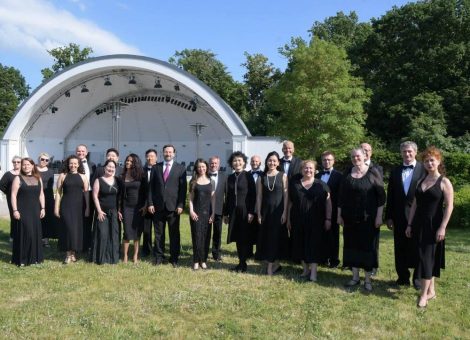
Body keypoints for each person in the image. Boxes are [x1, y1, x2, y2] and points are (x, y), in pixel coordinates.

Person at [405, 146, 454, 308]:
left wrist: (443, 227)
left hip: (434, 226)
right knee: (422, 257)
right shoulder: (420, 181)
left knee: (427, 258)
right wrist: (410, 224)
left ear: (438, 161)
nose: (429, 163)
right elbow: (414, 206)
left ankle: (424, 295)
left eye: (432, 160)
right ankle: (431, 291)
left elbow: (449, 206)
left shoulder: (444, 182)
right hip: (418, 224)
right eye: (426, 161)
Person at [337, 147, 385, 291]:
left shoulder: (372, 172)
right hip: (349, 218)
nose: (355, 159)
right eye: (352, 157)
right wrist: (339, 215)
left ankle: (368, 280)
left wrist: (378, 216)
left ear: (364, 156)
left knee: (367, 247)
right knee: (352, 246)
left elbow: (381, 197)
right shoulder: (347, 172)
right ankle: (355, 277)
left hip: (368, 219)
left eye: (357, 156)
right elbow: (341, 196)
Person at [386, 141, 426, 289]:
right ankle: (402, 277)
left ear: (415, 152)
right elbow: (390, 195)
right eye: (404, 152)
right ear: (401, 153)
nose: (407, 154)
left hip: (418, 216)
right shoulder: (395, 171)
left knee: (418, 247)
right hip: (398, 216)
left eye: (410, 151)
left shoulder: (424, 169)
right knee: (400, 247)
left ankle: (417, 279)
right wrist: (389, 216)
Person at [289, 160, 331, 281]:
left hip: (316, 220)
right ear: (301, 170)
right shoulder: (295, 184)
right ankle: (305, 269)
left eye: (311, 168)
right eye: (306, 168)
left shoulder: (321, 184)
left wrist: (328, 218)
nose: (308, 170)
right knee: (299, 243)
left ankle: (313, 273)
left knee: (314, 244)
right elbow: (290, 202)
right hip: (297, 219)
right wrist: (287, 218)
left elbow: (328, 203)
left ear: (315, 170)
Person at [148, 145, 187, 267]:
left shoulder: (181, 168)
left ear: (174, 154)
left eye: (170, 152)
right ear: (162, 153)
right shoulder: (156, 167)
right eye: (166, 152)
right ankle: (159, 257)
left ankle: (174, 258)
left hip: (173, 207)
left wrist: (181, 204)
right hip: (158, 207)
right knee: (159, 234)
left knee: (174, 234)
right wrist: (150, 203)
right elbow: (150, 188)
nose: (168, 154)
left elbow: (183, 189)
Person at [255, 151, 288, 276]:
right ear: (266, 162)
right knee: (268, 238)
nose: (272, 162)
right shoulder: (261, 178)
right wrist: (258, 213)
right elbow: (259, 197)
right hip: (266, 212)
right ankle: (273, 265)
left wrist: (285, 212)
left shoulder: (283, 176)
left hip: (279, 212)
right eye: (270, 160)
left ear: (278, 162)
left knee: (277, 238)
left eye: (274, 160)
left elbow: (286, 195)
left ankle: (272, 266)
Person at [223, 151, 256, 273]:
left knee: (244, 237)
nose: (237, 163)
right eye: (235, 161)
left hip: (245, 211)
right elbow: (228, 196)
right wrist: (225, 213)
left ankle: (243, 263)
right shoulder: (230, 178)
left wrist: (251, 212)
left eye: (239, 160)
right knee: (237, 237)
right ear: (232, 163)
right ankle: (240, 263)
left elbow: (253, 195)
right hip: (233, 211)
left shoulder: (248, 176)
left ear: (244, 163)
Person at [10, 158, 45, 266]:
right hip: (22, 210)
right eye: (24, 165)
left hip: (35, 210)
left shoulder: (38, 178)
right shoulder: (18, 178)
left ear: (33, 165)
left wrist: (43, 208)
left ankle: (34, 258)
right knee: (25, 233)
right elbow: (13, 195)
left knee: (34, 233)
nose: (26, 166)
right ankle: (22, 259)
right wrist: (15, 210)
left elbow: (41, 194)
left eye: (28, 164)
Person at [55, 155, 89, 264]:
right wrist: (56, 207)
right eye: (71, 163)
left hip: (79, 206)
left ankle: (73, 253)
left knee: (76, 229)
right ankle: (68, 254)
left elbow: (86, 194)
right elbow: (58, 193)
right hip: (66, 205)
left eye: (75, 163)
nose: (73, 165)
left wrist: (88, 207)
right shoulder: (62, 175)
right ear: (67, 164)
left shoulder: (83, 177)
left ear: (78, 165)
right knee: (68, 228)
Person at [315, 151, 343, 268]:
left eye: (329, 160)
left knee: (333, 235)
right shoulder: (317, 176)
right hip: (318, 210)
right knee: (320, 235)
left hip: (334, 210)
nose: (326, 162)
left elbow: (342, 195)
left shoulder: (339, 176)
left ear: (333, 161)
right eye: (324, 160)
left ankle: (333, 260)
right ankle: (321, 258)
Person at [91, 160, 122, 264]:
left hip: (114, 212)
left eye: (113, 167)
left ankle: (113, 258)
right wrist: (99, 211)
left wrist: (119, 211)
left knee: (114, 235)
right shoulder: (98, 180)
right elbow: (95, 196)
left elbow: (119, 197)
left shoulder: (117, 180)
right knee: (103, 234)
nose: (111, 169)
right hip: (102, 212)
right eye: (109, 167)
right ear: (105, 167)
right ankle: (100, 258)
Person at [360, 142, 383, 276]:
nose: (365, 152)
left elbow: (380, 193)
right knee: (357, 240)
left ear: (371, 152)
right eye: (363, 150)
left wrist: (379, 215)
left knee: (372, 241)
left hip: (372, 211)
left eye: (368, 150)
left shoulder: (377, 168)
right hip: (355, 211)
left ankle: (372, 266)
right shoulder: (351, 167)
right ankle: (356, 264)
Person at [189, 159, 215, 270]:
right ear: (196, 168)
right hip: (196, 213)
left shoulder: (211, 181)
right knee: (196, 236)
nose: (201, 169)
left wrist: (213, 213)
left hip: (207, 213)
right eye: (199, 167)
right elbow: (190, 198)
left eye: (203, 166)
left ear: (206, 167)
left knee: (206, 236)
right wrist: (191, 211)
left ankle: (203, 260)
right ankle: (196, 260)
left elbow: (213, 198)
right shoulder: (193, 181)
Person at [121, 153, 145, 264]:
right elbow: (119, 195)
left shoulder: (141, 176)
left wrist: (145, 205)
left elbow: (146, 192)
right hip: (126, 207)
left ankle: (135, 256)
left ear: (135, 163)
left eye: (131, 161)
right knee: (126, 232)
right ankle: (125, 256)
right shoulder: (122, 175)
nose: (128, 163)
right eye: (127, 160)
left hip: (138, 208)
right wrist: (118, 209)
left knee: (137, 233)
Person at [75, 144, 96, 253]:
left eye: (83, 151)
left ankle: (87, 245)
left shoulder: (92, 165)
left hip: (90, 195)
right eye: (79, 151)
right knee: (77, 220)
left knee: (88, 220)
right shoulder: (72, 164)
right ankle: (77, 244)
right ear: (76, 152)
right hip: (77, 195)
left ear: (87, 153)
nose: (81, 153)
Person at [36, 152, 58, 247]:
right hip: (35, 196)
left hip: (48, 197)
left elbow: (51, 185)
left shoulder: (51, 171)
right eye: (42, 159)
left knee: (47, 219)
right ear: (39, 159)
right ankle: (36, 238)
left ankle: (46, 240)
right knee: (37, 218)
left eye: (46, 160)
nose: (44, 161)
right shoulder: (33, 170)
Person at [207, 156, 227, 261]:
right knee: (205, 233)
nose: (213, 165)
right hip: (205, 209)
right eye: (211, 163)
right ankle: (204, 252)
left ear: (219, 165)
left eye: (215, 163)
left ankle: (216, 254)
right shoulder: (204, 175)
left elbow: (227, 194)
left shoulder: (224, 176)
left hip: (219, 209)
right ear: (208, 164)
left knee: (217, 233)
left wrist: (226, 212)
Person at [141, 149, 158, 257]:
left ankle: (157, 249)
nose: (150, 158)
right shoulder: (141, 170)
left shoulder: (161, 169)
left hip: (157, 204)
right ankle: (146, 250)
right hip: (144, 204)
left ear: (156, 157)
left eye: (152, 156)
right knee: (146, 229)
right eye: (148, 156)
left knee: (158, 229)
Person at [0, 156, 21, 241]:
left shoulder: (24, 173)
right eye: (14, 162)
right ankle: (13, 236)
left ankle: (21, 234)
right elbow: (1, 185)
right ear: (12, 163)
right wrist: (8, 193)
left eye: (18, 162)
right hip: (12, 199)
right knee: (14, 216)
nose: (16, 163)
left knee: (23, 217)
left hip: (24, 199)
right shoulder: (8, 174)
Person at [248, 155, 263, 258]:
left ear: (260, 163)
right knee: (248, 229)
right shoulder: (246, 175)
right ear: (250, 162)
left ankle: (259, 253)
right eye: (253, 161)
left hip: (260, 206)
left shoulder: (264, 174)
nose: (254, 163)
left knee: (259, 230)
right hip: (248, 205)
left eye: (256, 161)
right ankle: (248, 252)